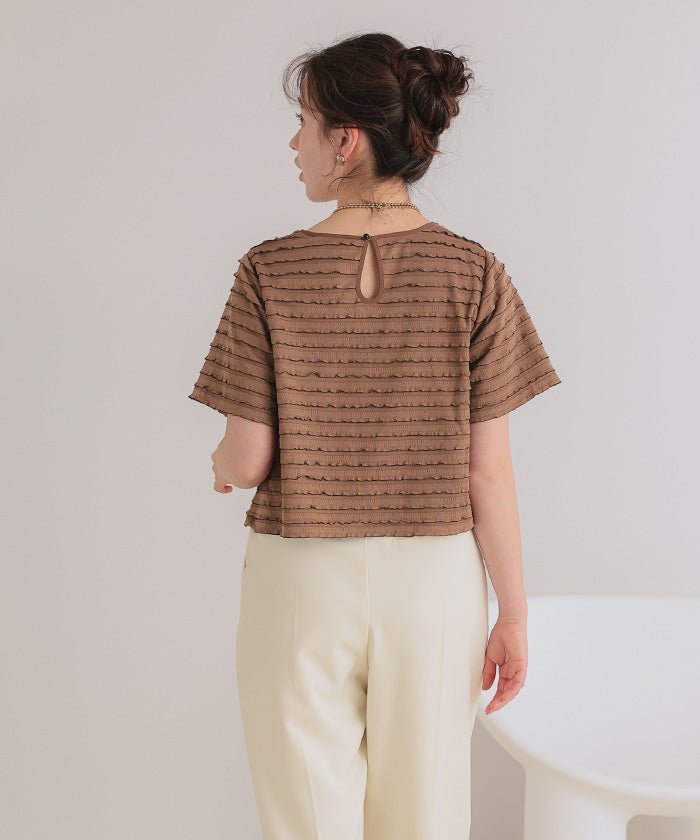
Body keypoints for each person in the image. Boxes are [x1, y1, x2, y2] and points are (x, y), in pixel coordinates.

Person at [188, 32, 562, 840]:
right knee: (426, 815)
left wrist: (219, 464)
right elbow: (489, 472)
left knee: (306, 818)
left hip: (301, 575)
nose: (295, 143)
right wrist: (513, 613)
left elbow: (247, 458)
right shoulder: (475, 272)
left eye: (304, 122)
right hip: (435, 582)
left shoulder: (267, 270)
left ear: (346, 140)